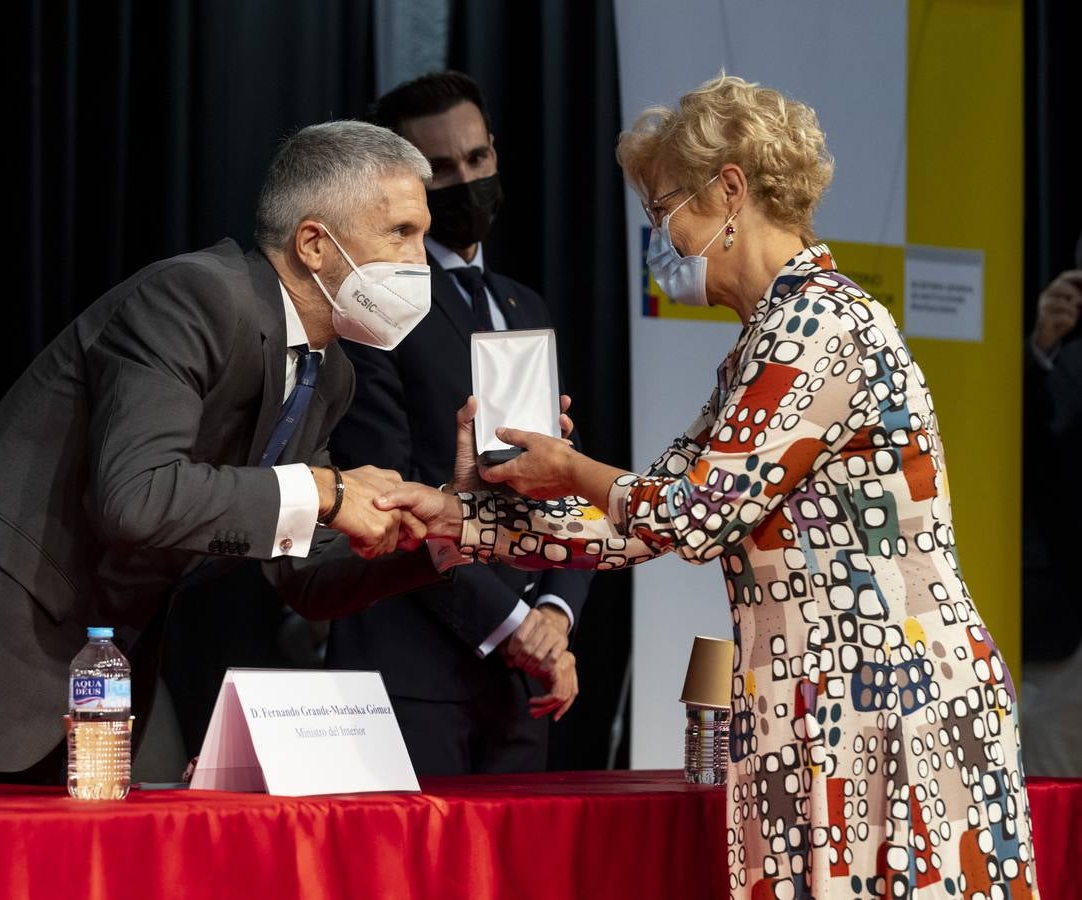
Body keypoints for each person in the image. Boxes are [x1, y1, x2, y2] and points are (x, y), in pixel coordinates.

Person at [380, 74, 1039, 898]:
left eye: (663, 210)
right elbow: (640, 520)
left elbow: (693, 515)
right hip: (821, 703)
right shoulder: (763, 343)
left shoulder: (822, 326)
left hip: (887, 703)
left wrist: (572, 468)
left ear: (730, 191)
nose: (658, 235)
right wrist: (454, 514)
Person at [0, 120, 448, 785]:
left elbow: (303, 575)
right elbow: (136, 498)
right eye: (400, 233)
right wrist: (327, 491)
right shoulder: (193, 296)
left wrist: (428, 540)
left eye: (422, 235)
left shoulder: (329, 373)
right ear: (315, 243)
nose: (419, 260)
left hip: (82, 684)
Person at [327, 71, 588, 775]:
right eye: (440, 168)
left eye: (477, 159)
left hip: (523, 684)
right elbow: (388, 493)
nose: (465, 180)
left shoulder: (525, 304)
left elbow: (564, 479)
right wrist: (515, 627)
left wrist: (556, 618)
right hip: (412, 676)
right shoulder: (372, 311)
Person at [1019, 232, 1082, 777]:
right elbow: (1036, 448)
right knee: (1057, 793)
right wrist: (1042, 344)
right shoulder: (1059, 364)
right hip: (1066, 635)